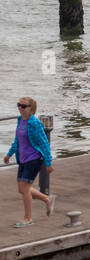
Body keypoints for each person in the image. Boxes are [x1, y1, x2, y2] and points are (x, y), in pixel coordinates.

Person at [4, 96, 54, 227]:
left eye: (23, 106)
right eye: (18, 105)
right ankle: (47, 199)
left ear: (31, 108)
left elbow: (44, 143)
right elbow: (17, 141)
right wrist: (9, 154)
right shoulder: (20, 120)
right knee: (21, 189)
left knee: (25, 189)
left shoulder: (35, 123)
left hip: (34, 159)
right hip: (23, 159)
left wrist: (48, 163)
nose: (20, 108)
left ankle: (28, 218)